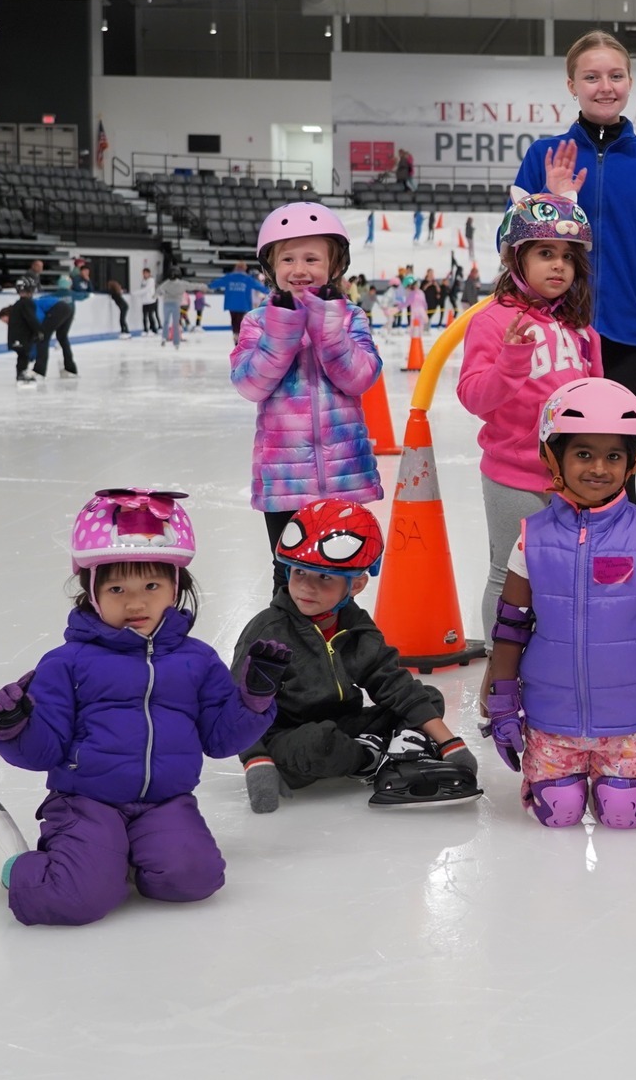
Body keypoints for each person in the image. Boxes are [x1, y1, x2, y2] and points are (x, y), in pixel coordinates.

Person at [0, 489, 288, 926]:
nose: (135, 603)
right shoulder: (68, 662)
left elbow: (219, 739)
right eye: (117, 588)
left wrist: (253, 700)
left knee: (195, 878)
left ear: (175, 587)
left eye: (151, 586)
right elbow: (44, 752)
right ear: (92, 591)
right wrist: (15, 725)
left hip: (165, 802)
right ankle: (3, 856)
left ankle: (125, 856)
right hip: (88, 801)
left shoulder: (197, 660)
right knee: (74, 899)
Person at [481, 378, 636, 830]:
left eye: (613, 456)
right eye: (583, 453)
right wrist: (503, 699)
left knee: (623, 815)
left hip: (632, 721)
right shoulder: (532, 538)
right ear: (554, 457)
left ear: (632, 461)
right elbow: (510, 627)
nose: (599, 468)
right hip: (551, 718)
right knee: (557, 815)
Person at [233, 498, 478, 813]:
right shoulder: (269, 631)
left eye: (324, 578)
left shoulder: (354, 625)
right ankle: (372, 759)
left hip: (344, 724)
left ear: (356, 584)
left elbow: (391, 681)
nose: (306, 588)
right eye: (298, 573)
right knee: (318, 743)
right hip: (287, 737)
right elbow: (239, 703)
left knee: (427, 697)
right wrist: (256, 760)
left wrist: (449, 743)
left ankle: (387, 747)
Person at [513, 31, 636, 414]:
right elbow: (512, 250)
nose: (605, 87)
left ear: (630, 82)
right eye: (591, 77)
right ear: (572, 85)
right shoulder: (545, 155)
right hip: (553, 336)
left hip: (630, 340)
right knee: (549, 461)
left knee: (616, 464)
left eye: (616, 76)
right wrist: (551, 198)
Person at [458, 193, 603, 651]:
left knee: (565, 574)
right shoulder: (492, 322)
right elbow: (475, 398)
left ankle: (552, 661)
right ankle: (499, 672)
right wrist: (511, 360)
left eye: (567, 257)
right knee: (509, 573)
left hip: (573, 478)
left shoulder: (582, 331)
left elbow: (596, 400)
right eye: (545, 253)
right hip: (513, 476)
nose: (558, 266)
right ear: (516, 258)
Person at [232, 203, 384, 586]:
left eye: (312, 258)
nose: (299, 269)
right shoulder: (256, 322)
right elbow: (251, 384)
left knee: (342, 578)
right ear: (271, 267)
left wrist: (329, 330)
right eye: (287, 258)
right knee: (288, 578)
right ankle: (286, 645)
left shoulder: (350, 317)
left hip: (345, 477)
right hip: (286, 483)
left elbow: (360, 378)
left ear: (334, 267)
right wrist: (282, 332)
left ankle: (343, 645)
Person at [3, 278, 44, 384]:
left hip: (16, 336)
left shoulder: (18, 304)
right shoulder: (27, 303)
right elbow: (31, 319)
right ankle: (21, 373)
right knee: (24, 355)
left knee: (22, 355)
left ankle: (21, 373)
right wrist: (39, 330)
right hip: (22, 336)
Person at [32, 287, 78, 378]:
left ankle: (39, 370)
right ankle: (71, 368)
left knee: (43, 338)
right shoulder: (36, 301)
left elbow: (40, 319)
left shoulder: (33, 305)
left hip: (59, 308)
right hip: (68, 309)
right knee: (62, 337)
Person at [210, 262, 269, 332]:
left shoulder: (229, 277)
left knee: (234, 321)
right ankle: (238, 335)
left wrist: (208, 286)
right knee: (240, 321)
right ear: (244, 268)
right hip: (243, 304)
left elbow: (216, 283)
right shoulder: (247, 279)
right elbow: (259, 287)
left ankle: (235, 335)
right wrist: (270, 292)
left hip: (231, 304)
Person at [157, 271, 190, 345]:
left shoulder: (182, 292)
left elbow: (187, 300)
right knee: (177, 322)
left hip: (180, 307)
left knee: (177, 322)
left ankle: (176, 335)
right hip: (178, 307)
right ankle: (175, 336)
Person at [135, 266, 159, 335]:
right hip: (144, 301)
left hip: (151, 301)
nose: (144, 275)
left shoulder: (151, 280)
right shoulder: (143, 281)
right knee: (144, 316)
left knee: (150, 316)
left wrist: (136, 293)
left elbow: (146, 290)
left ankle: (153, 329)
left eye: (145, 273)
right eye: (143, 273)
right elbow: (142, 289)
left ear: (149, 273)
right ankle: (145, 329)